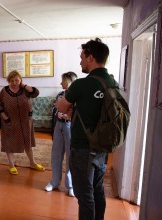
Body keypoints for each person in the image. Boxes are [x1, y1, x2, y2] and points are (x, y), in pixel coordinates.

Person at [55, 38, 113, 220]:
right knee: (97, 190)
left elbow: (62, 107)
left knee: (85, 195)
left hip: (83, 148)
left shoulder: (82, 84)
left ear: (91, 57)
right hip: (103, 146)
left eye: (82, 57)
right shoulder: (112, 82)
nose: (80, 61)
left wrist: (63, 105)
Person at [0, 70, 45, 175]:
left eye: (17, 80)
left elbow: (35, 93)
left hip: (25, 121)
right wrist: (5, 118)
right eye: (12, 80)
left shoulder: (25, 90)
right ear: (9, 81)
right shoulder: (4, 91)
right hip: (10, 121)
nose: (14, 82)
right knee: (9, 143)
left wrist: (24, 85)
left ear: (21, 80)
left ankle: (32, 163)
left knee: (28, 142)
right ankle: (11, 165)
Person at [44, 71, 77, 197]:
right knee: (56, 154)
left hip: (70, 127)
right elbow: (54, 107)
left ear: (68, 81)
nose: (60, 83)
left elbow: (74, 112)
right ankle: (54, 182)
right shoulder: (60, 94)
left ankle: (71, 186)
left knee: (70, 156)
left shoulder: (76, 96)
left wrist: (66, 114)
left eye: (62, 80)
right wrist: (59, 113)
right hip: (59, 125)